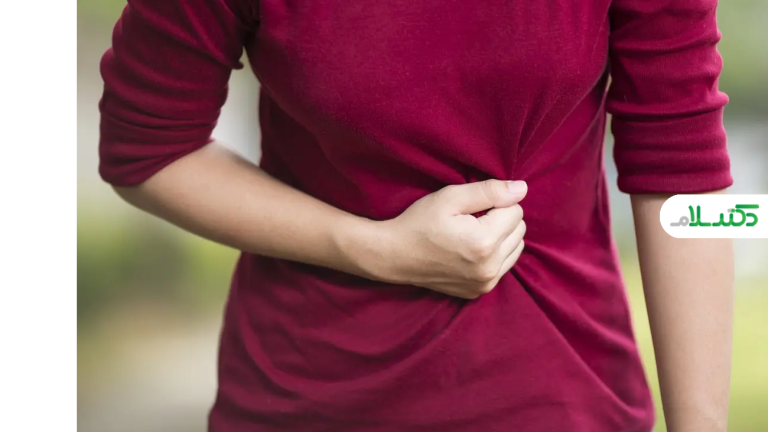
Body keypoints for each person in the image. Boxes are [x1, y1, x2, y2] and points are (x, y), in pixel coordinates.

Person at [97, 0, 734, 430]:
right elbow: (146, 146)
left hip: (565, 395)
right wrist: (372, 248)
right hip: (307, 400)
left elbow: (689, 169)